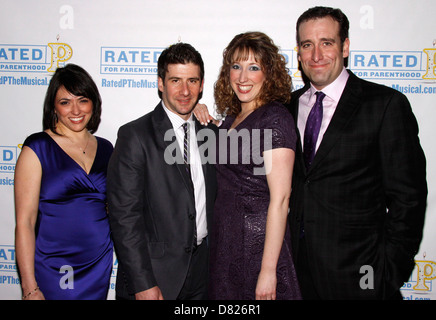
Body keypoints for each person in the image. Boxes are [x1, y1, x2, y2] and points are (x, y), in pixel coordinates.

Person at [287, 6, 427, 299]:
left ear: (345, 46)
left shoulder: (384, 105)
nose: (316, 55)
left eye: (327, 43)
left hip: (361, 275)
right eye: (307, 45)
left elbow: (408, 199)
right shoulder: (286, 107)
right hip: (296, 275)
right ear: (298, 52)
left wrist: (388, 272)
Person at [107, 43, 217, 300]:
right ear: (160, 83)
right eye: (175, 80)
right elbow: (124, 218)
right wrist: (142, 283)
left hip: (204, 273)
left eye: (192, 80)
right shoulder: (135, 135)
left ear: (201, 85)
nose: (185, 91)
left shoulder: (210, 134)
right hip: (156, 277)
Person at [196, 31, 301, 300]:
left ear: (268, 73)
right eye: (236, 66)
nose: (243, 77)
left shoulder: (275, 118)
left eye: (253, 67)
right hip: (224, 244)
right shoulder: (232, 118)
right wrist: (199, 114)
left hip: (257, 245)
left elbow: (281, 199)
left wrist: (268, 270)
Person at [14, 64, 113, 300]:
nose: (76, 110)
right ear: (54, 108)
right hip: (54, 265)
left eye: (83, 100)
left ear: (93, 103)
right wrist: (29, 288)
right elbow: (25, 223)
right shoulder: (37, 147)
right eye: (65, 102)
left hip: (97, 264)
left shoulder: (107, 148)